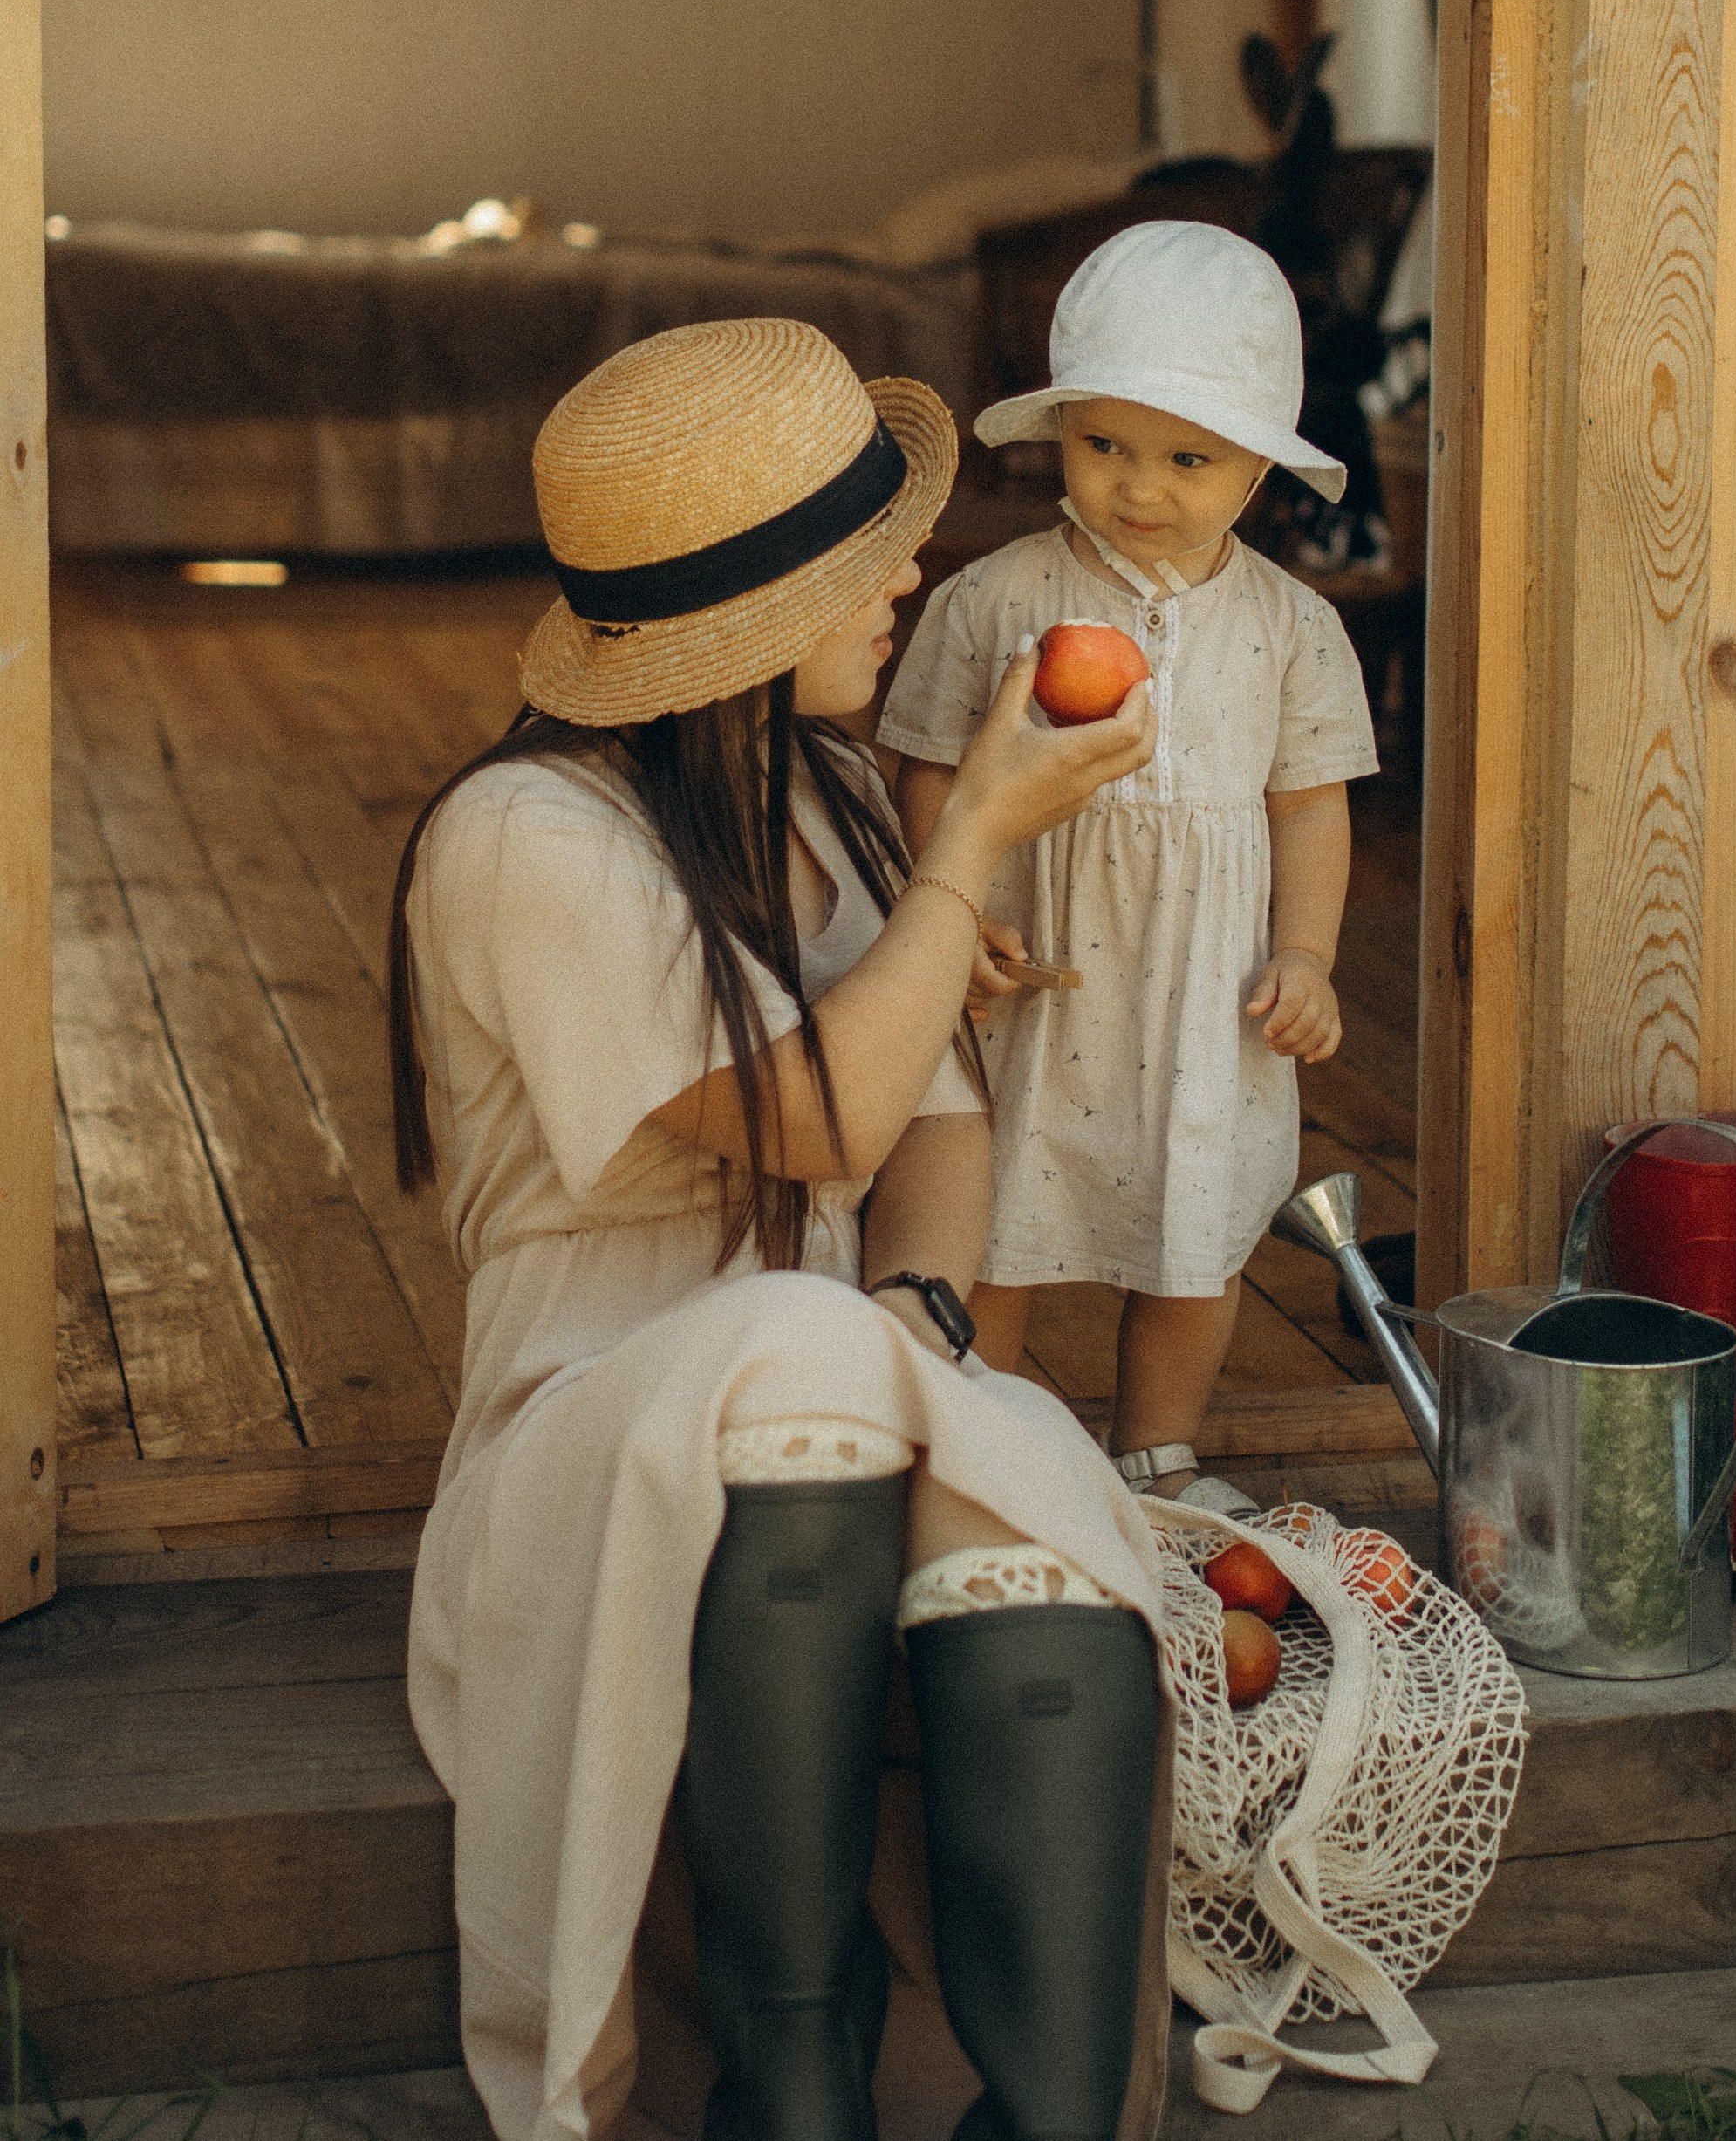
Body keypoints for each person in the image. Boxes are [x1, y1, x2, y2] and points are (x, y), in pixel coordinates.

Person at [392, 317, 1174, 2141]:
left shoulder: (820, 796)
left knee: (1057, 1525)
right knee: (817, 1349)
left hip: (837, 1387)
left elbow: (934, 1141)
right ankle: (791, 2088)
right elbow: (818, 1114)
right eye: (864, 554)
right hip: (588, 1435)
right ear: (741, 615)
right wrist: (974, 837)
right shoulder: (521, 837)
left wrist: (909, 1323)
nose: (916, 569)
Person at [878, 222, 1380, 1521]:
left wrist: (1308, 954)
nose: (1141, 487)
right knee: (1002, 1215)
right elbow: (928, 766)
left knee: (1194, 1241)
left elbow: (1310, 810)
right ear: (1062, 430)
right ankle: (975, 1430)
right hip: (1037, 974)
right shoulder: (996, 602)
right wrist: (962, 908)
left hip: (1207, 992)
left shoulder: (1291, 629)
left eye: (1188, 459)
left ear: (1260, 466)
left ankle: (1156, 1446)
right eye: (1105, 446)